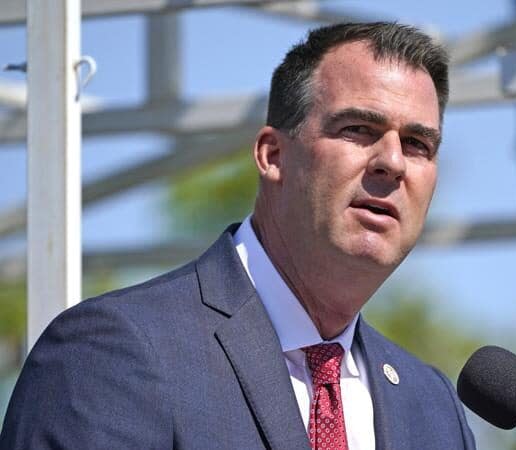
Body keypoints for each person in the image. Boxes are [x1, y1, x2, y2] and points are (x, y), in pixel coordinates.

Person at [0, 22, 476, 450]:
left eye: (418, 144)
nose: (392, 162)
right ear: (272, 155)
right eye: (358, 129)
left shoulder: (432, 407)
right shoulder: (114, 354)